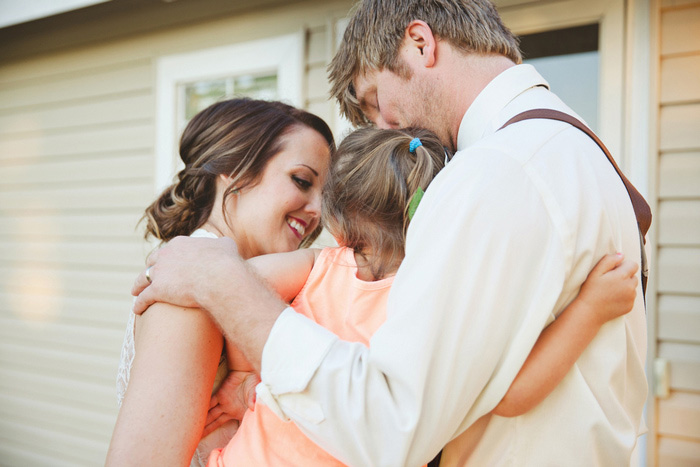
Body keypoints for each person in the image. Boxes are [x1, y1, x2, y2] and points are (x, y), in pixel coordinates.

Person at [131, 0, 650, 465]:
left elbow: (394, 426)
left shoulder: (497, 170)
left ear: (420, 44)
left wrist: (219, 282)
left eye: (376, 98)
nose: (385, 127)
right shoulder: (570, 151)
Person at [203, 127, 638, 466]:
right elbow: (512, 393)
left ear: (338, 223)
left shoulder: (320, 265)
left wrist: (245, 377)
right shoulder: (434, 291)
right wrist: (590, 309)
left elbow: (240, 287)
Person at [107, 98, 335, 466]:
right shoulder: (191, 291)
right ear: (233, 168)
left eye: (325, 194)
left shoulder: (235, 278)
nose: (318, 210)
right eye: (302, 181)